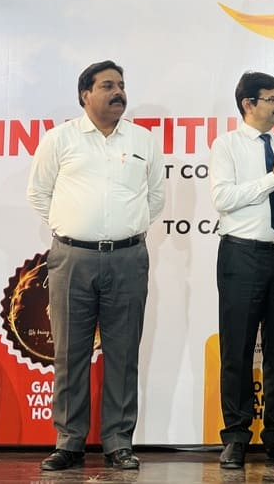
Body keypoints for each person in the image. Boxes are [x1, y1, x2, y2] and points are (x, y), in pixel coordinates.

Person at [26, 60, 165, 471]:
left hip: (128, 258)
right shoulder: (60, 139)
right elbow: (38, 194)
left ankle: (118, 442)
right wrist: (71, 231)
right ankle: (69, 442)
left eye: (121, 85)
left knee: (123, 354)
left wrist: (123, 229)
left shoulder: (142, 140)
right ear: (85, 94)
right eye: (107, 85)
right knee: (70, 353)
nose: (118, 92)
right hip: (73, 259)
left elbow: (155, 198)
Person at [209, 71, 274, 469]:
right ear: (248, 104)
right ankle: (236, 436)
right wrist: (272, 180)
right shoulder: (227, 146)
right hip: (242, 256)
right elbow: (223, 198)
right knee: (236, 349)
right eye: (272, 99)